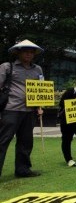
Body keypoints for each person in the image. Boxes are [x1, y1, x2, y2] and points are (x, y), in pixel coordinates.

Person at [0, 39, 44, 178]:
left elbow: (41, 89)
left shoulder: (38, 69)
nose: (29, 54)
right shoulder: (7, 67)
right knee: (3, 140)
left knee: (26, 142)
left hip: (29, 111)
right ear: (18, 53)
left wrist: (40, 106)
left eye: (31, 52)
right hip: (11, 109)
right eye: (25, 51)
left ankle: (23, 170)